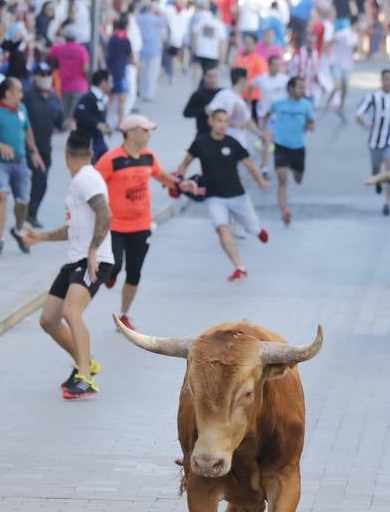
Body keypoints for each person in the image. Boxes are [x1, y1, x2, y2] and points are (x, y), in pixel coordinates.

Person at [23, 133, 116, 400]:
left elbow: (105, 213)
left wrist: (93, 250)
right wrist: (41, 237)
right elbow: (74, 227)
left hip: (94, 260)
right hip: (75, 259)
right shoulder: (81, 180)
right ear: (89, 151)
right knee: (49, 319)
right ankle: (85, 360)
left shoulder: (85, 178)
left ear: (66, 153)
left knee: (71, 311)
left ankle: (86, 378)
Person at [94, 115, 180, 331]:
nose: (149, 135)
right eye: (145, 131)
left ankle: (124, 315)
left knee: (134, 272)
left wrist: (180, 184)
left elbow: (161, 176)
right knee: (115, 265)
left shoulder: (149, 156)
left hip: (141, 225)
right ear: (131, 133)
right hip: (114, 225)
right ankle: (110, 275)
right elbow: (92, 184)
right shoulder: (111, 159)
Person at [175, 107, 269, 282]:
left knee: (252, 227)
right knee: (222, 228)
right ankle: (239, 267)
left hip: (238, 196)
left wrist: (260, 181)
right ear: (211, 121)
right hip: (214, 198)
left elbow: (249, 164)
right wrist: (178, 181)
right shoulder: (200, 142)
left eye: (226, 121)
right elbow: (185, 163)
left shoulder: (232, 143)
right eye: (219, 120)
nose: (222, 125)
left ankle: (259, 230)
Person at [0, 76, 45, 255]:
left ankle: (17, 230)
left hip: (19, 161)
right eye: (18, 91)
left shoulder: (21, 108)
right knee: (2, 194)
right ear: (7, 93)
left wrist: (34, 151)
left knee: (23, 202)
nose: (21, 95)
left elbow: (27, 130)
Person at [356, 68, 390, 217]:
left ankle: (387, 202)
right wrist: (364, 123)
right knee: (376, 169)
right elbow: (358, 114)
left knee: (389, 170)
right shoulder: (373, 97)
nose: (388, 82)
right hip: (375, 141)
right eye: (386, 79)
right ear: (381, 80)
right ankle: (377, 181)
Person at [263, 75, 314, 226]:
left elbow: (311, 122)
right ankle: (284, 210)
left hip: (298, 147)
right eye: (300, 87)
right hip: (281, 145)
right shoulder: (278, 104)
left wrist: (310, 126)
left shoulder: (306, 105)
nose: (303, 90)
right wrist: (265, 131)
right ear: (291, 88)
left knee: (298, 179)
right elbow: (266, 115)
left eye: (304, 87)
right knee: (282, 178)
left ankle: (294, 169)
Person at [22, 66, 66, 228]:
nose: (46, 77)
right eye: (42, 74)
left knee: (42, 180)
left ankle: (31, 213)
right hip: (26, 146)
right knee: (24, 178)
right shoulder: (27, 96)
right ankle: (24, 211)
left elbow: (61, 123)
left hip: (45, 147)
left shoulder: (54, 98)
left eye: (48, 74)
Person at [207, 67, 260, 151]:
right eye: (247, 79)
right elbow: (210, 110)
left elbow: (247, 122)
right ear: (242, 80)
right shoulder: (225, 94)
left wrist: (260, 134)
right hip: (225, 144)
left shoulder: (241, 100)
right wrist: (230, 123)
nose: (248, 83)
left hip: (240, 144)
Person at [253, 55, 290, 173]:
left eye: (279, 64)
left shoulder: (285, 79)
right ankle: (265, 166)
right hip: (264, 114)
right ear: (269, 66)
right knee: (267, 139)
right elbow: (250, 87)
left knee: (273, 140)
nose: (277, 67)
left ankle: (271, 165)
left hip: (279, 116)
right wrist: (250, 103)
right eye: (274, 64)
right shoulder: (261, 79)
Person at [49, 26, 91, 124]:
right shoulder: (82, 50)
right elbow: (85, 69)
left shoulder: (59, 49)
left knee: (65, 112)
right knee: (77, 113)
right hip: (80, 85)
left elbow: (50, 55)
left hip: (65, 85)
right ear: (76, 38)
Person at [72, 69, 114, 164]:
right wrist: (97, 125)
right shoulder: (88, 98)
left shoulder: (101, 98)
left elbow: (98, 116)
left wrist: (106, 127)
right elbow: (79, 114)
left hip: (99, 141)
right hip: (88, 142)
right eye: (110, 81)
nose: (112, 84)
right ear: (103, 82)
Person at [323, 19, 358, 117]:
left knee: (345, 88)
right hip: (337, 63)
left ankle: (341, 106)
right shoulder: (343, 33)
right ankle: (328, 102)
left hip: (347, 65)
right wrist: (327, 53)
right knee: (337, 85)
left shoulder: (355, 36)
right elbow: (331, 41)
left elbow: (354, 49)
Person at [135, 0, 169, 101]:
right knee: (152, 72)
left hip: (142, 48)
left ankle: (141, 91)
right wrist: (159, 10)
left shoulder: (140, 18)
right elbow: (165, 20)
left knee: (142, 72)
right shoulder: (155, 19)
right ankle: (148, 93)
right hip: (154, 49)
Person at [106, 15, 135, 127]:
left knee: (111, 98)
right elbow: (130, 56)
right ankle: (121, 123)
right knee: (122, 99)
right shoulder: (125, 40)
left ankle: (105, 120)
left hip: (111, 70)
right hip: (120, 72)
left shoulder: (112, 38)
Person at [182, 66, 221, 136]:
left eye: (215, 76)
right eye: (209, 76)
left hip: (221, 135)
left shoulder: (223, 93)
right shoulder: (198, 94)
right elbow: (186, 113)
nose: (212, 79)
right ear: (204, 77)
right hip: (203, 133)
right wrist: (203, 110)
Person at [190, 0, 227, 72]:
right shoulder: (219, 24)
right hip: (213, 54)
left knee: (200, 76)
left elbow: (194, 31)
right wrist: (222, 59)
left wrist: (195, 46)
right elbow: (222, 42)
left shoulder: (203, 20)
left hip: (200, 52)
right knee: (209, 77)